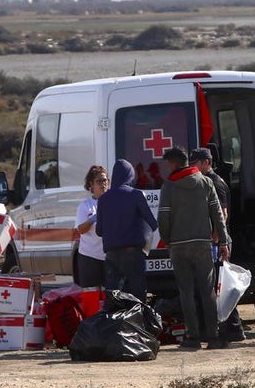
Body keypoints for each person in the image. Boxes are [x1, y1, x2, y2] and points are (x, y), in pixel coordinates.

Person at [158, 146, 231, 350]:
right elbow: (218, 215)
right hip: (202, 244)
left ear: (173, 163)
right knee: (208, 291)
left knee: (186, 292)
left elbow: (163, 218)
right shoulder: (205, 182)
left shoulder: (169, 186)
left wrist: (167, 240)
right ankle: (213, 336)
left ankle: (192, 336)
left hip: (178, 246)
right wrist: (223, 241)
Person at [190, 147, 246, 342]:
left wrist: (216, 241)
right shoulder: (205, 181)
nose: (193, 167)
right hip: (215, 241)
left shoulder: (215, 182)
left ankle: (234, 328)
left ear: (207, 163)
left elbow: (223, 213)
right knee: (216, 287)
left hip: (219, 242)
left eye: (196, 163)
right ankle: (229, 327)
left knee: (221, 287)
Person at [95, 158, 159, 302]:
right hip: (133, 253)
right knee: (138, 294)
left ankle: (113, 317)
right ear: (130, 175)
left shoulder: (103, 199)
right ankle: (139, 316)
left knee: (113, 295)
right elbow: (153, 223)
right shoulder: (135, 195)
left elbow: (99, 231)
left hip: (111, 254)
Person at [73, 165, 109, 288]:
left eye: (105, 180)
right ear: (91, 184)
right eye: (99, 181)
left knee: (110, 295)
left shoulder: (113, 202)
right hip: (89, 257)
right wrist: (93, 219)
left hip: (110, 257)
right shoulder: (85, 205)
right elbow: (81, 230)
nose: (103, 184)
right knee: (91, 294)